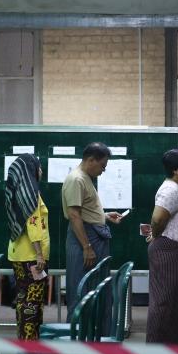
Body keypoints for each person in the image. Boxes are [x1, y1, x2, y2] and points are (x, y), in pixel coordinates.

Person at [61, 142, 124, 333]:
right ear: (90, 160)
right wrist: (86, 247)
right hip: (85, 240)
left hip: (91, 236)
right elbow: (74, 215)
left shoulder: (85, 178)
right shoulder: (76, 179)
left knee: (97, 291)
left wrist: (104, 216)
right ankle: (78, 345)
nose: (103, 170)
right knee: (82, 291)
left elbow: (84, 211)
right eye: (102, 166)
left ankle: (97, 339)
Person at [146, 148, 178, 343]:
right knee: (166, 300)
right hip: (170, 250)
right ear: (176, 170)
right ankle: (158, 347)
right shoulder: (170, 189)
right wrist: (156, 234)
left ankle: (177, 345)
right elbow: (158, 218)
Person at [5, 154, 50, 340]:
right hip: (31, 257)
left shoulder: (18, 191)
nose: (41, 171)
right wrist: (39, 254)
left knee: (24, 301)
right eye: (38, 167)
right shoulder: (30, 194)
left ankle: (26, 341)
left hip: (19, 255)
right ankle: (29, 347)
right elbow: (33, 225)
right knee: (31, 304)